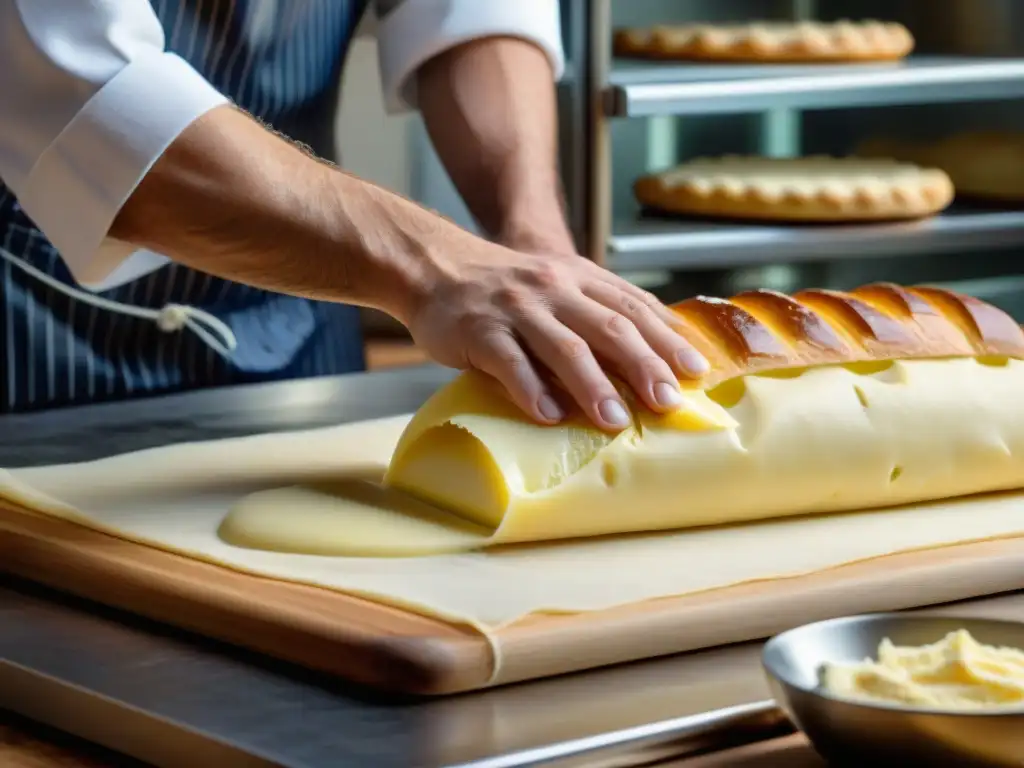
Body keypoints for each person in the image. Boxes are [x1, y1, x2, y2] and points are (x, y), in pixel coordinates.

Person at [0, 0, 708, 431]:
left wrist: (539, 248)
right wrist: (432, 266)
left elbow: (473, 13)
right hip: (31, 367)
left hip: (303, 353)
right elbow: (92, 102)